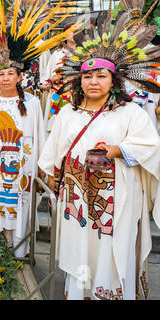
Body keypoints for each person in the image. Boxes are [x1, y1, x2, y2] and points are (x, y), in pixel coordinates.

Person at [38, 7, 160, 299]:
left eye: (100, 76)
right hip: (77, 200)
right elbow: (54, 149)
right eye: (87, 76)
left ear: (113, 79)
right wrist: (51, 174)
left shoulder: (130, 112)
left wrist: (119, 149)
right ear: (78, 80)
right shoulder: (68, 112)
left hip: (117, 201)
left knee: (109, 251)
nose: (93, 81)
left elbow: (151, 146)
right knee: (80, 249)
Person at [0, 0, 74, 256]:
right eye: (1, 75)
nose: (5, 79)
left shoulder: (32, 103)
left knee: (20, 206)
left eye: (10, 74)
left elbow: (40, 137)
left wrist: (41, 167)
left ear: (19, 76)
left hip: (23, 165)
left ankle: (19, 253)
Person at [40, 26, 76, 134]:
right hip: (58, 94)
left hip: (76, 93)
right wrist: (45, 84)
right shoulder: (57, 54)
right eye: (71, 31)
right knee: (56, 128)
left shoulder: (84, 52)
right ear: (64, 35)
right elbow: (47, 74)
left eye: (76, 31)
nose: (74, 33)